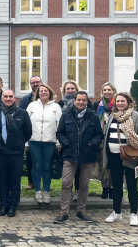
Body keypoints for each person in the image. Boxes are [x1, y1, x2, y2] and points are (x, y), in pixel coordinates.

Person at [54, 91, 103, 224]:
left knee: (84, 184)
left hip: (87, 156)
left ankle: (81, 211)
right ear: (74, 101)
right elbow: (59, 133)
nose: (81, 102)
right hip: (69, 155)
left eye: (84, 100)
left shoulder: (92, 116)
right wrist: (65, 143)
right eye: (79, 100)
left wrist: (92, 144)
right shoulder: (66, 115)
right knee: (66, 183)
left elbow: (99, 135)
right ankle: (64, 212)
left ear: (87, 102)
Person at [103, 92, 138, 227]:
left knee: (132, 186)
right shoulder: (112, 116)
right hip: (114, 156)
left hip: (131, 157)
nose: (120, 104)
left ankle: (134, 214)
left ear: (128, 102)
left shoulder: (135, 116)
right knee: (116, 185)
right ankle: (117, 212)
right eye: (118, 101)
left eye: (123, 101)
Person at [0, 89, 31, 217]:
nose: (8, 99)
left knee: (15, 180)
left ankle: (13, 205)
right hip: (0, 152)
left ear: (15, 98)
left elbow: (28, 132)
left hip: (16, 153)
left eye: (10, 97)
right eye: (5, 97)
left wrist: (18, 142)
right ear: (2, 99)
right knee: (2, 179)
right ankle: (3, 205)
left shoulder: (22, 113)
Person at [57, 79, 93, 201]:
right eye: (68, 88)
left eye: (73, 88)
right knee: (68, 172)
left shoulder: (87, 104)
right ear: (64, 90)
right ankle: (69, 193)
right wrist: (64, 142)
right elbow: (59, 125)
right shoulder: (61, 103)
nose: (71, 90)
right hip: (68, 144)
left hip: (83, 145)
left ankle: (78, 191)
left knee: (80, 172)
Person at [26, 82, 61, 204]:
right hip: (34, 141)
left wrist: (58, 143)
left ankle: (46, 191)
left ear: (50, 92)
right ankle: (38, 191)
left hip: (50, 142)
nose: (43, 93)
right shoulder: (32, 106)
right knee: (36, 166)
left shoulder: (56, 107)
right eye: (41, 91)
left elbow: (59, 125)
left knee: (46, 167)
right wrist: (26, 142)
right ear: (37, 94)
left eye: (46, 91)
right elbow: (26, 125)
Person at [19, 75, 42, 191]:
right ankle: (31, 182)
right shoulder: (25, 99)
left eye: (37, 82)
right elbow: (21, 116)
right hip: (31, 134)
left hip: (44, 134)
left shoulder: (48, 96)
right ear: (30, 84)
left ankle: (42, 182)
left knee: (44, 161)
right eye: (33, 82)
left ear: (41, 82)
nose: (35, 84)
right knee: (30, 160)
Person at [95, 82, 117, 199]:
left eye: (109, 90)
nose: (107, 92)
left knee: (113, 164)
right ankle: (105, 188)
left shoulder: (118, 104)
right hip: (102, 139)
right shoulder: (98, 105)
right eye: (105, 90)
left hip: (114, 138)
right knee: (103, 164)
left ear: (113, 91)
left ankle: (113, 188)